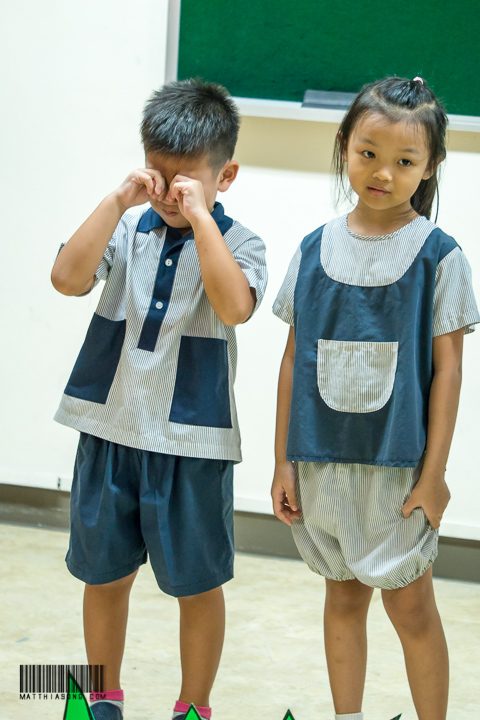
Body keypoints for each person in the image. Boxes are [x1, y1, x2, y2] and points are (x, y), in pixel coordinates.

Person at [51, 78, 267, 720]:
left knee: (197, 584)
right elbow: (66, 278)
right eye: (159, 175)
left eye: (187, 181)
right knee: (102, 575)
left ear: (226, 176)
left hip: (192, 443)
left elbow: (234, 306)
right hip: (108, 428)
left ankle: (192, 706)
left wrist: (200, 220)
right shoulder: (126, 229)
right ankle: (102, 697)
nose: (170, 192)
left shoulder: (241, 243)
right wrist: (118, 199)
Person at [271, 76, 479, 720]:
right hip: (321, 464)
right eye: (368, 153)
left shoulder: (440, 256)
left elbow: (448, 372)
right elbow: (292, 359)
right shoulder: (313, 248)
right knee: (341, 599)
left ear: (430, 166)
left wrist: (434, 475)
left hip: (398, 471)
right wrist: (283, 461)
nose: (383, 172)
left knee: (411, 608)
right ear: (344, 147)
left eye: (405, 161)